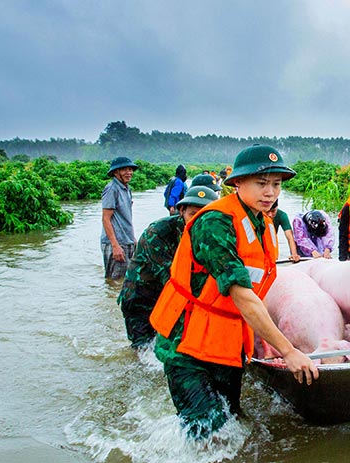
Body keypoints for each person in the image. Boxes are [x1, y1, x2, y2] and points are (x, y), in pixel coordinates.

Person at [150, 144, 318, 439]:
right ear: (237, 183)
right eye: (261, 183)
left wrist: (266, 342)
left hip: (226, 342)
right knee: (206, 431)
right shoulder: (215, 223)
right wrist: (288, 350)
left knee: (232, 421)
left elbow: (260, 290)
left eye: (276, 185)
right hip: (186, 342)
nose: (270, 192)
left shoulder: (264, 224)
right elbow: (242, 294)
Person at [118, 185, 214, 348]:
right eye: (193, 214)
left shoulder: (212, 234)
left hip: (168, 298)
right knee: (142, 349)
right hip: (141, 297)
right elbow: (174, 279)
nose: (198, 220)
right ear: (182, 211)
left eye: (205, 215)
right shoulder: (158, 232)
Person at [101, 156, 139, 280]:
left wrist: (133, 238)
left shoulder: (127, 189)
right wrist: (115, 246)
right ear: (116, 172)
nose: (129, 173)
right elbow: (106, 219)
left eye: (130, 169)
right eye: (124, 170)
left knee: (125, 280)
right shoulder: (112, 189)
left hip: (127, 241)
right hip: (116, 243)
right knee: (115, 281)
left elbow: (126, 216)